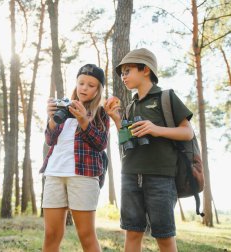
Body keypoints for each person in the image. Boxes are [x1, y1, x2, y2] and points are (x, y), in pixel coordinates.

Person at [104, 48, 194, 252]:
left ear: (145, 69)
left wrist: (155, 129)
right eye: (122, 73)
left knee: (164, 236)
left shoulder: (166, 97)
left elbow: (187, 133)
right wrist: (117, 120)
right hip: (130, 174)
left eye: (127, 71)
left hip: (160, 177)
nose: (123, 76)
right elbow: (126, 139)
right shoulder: (130, 106)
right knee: (132, 232)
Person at [40, 64, 109, 252]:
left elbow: (101, 143)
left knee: (86, 235)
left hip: (84, 175)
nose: (84, 88)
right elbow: (49, 139)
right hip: (54, 173)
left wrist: (84, 120)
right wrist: (52, 118)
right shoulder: (64, 108)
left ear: (98, 90)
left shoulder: (100, 113)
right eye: (81, 83)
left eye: (91, 85)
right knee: (51, 235)